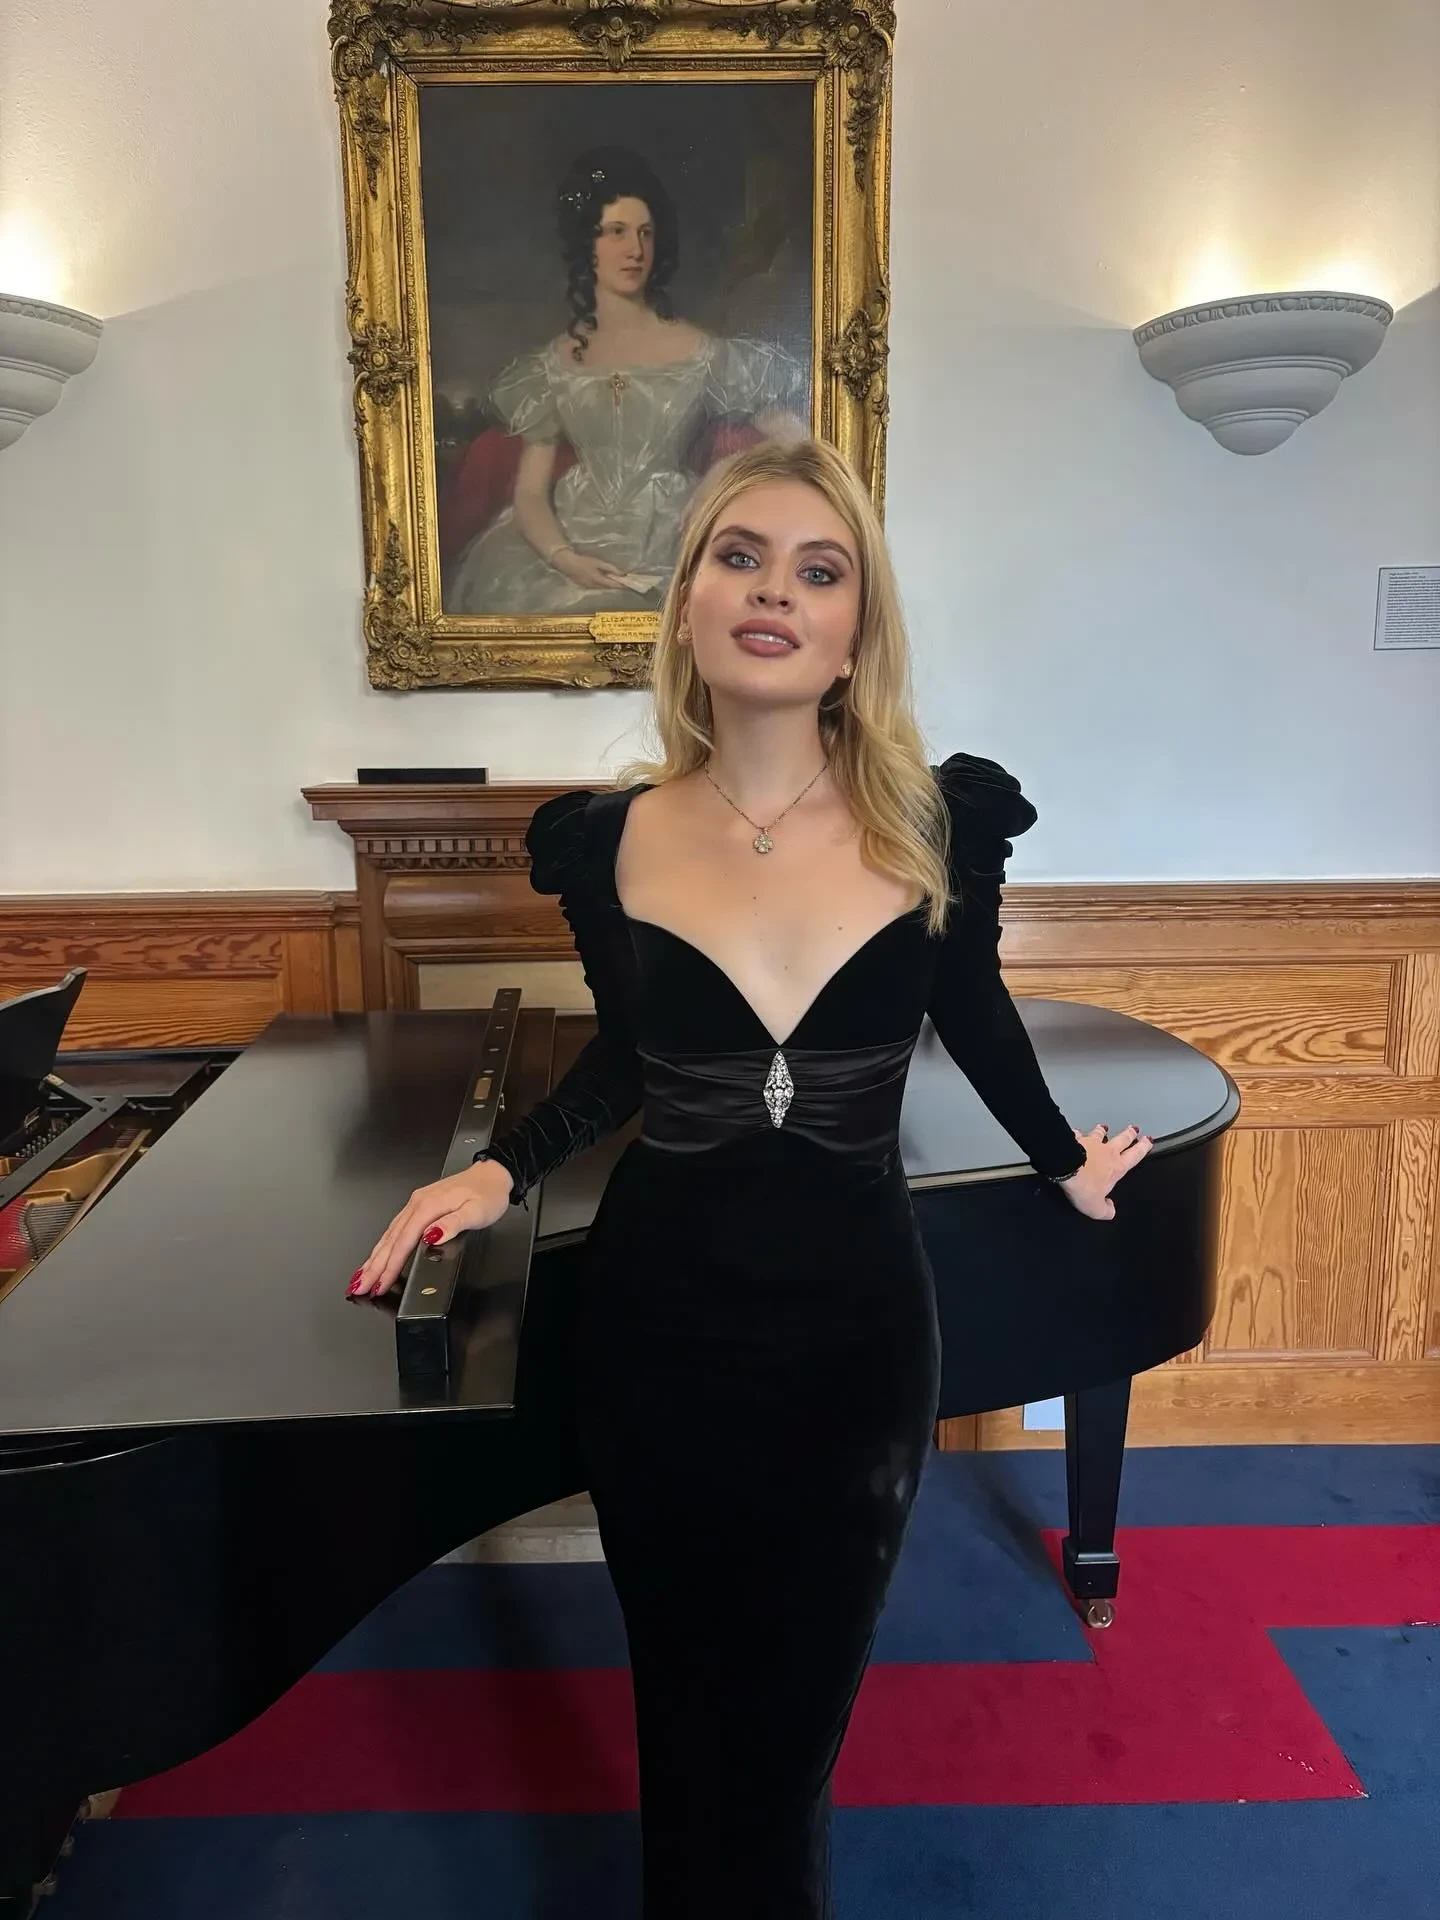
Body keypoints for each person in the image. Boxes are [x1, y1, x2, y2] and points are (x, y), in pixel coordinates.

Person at [351, 436, 1151, 1916]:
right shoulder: (606, 842)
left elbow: (976, 1019)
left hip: (856, 1339)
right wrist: (501, 1173)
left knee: (789, 1732)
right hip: (659, 1330)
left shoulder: (938, 823)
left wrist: (1068, 1166)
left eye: (818, 570)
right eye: (741, 557)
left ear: (854, 634)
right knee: (685, 1710)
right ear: (689, 604)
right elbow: (628, 1063)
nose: (775, 590)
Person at [444, 145, 806, 616]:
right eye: (616, 232)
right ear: (587, 245)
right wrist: (567, 559)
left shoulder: (703, 352)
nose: (635, 250)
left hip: (668, 537)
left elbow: (798, 441)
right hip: (568, 544)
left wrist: (725, 473)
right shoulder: (552, 364)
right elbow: (530, 493)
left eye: (645, 233)